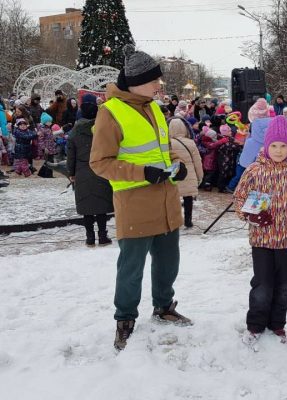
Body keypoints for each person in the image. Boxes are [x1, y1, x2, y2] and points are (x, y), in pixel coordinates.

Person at [90, 44, 191, 351]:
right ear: (135, 82)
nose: (160, 86)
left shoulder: (154, 107)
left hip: (166, 200)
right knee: (131, 267)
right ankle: (125, 319)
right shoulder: (110, 113)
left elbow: (163, 148)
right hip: (135, 204)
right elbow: (100, 162)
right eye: (154, 81)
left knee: (168, 261)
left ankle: (163, 306)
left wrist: (178, 164)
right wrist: (143, 173)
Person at [233, 116, 287, 347]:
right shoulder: (254, 170)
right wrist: (249, 214)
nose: (279, 150)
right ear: (266, 146)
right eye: (274, 145)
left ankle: (277, 323)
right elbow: (239, 198)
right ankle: (255, 324)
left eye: (283, 146)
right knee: (262, 284)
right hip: (261, 239)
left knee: (282, 286)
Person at [67, 94, 114, 247]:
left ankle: (89, 237)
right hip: (101, 169)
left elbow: (71, 156)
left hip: (82, 170)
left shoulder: (74, 132)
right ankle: (102, 235)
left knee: (86, 205)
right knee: (101, 204)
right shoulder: (102, 129)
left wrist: (71, 173)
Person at [168, 117, 204, 228]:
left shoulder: (167, 143)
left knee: (172, 198)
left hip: (174, 171)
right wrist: (200, 176)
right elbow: (197, 161)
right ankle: (188, 220)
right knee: (188, 198)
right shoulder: (190, 142)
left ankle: (173, 220)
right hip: (189, 172)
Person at [216, 124, 241, 193]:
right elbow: (229, 147)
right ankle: (221, 187)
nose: (231, 132)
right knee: (223, 172)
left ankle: (225, 186)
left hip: (230, 158)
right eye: (229, 131)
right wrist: (238, 145)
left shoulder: (230, 138)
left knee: (229, 172)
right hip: (223, 159)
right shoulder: (222, 139)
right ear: (225, 132)